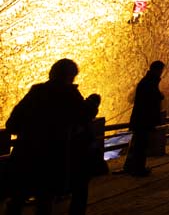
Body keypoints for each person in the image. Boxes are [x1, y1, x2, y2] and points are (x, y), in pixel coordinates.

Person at [5, 58, 102, 215]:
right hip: (52, 158)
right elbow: (84, 116)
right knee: (45, 200)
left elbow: (12, 124)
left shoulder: (35, 93)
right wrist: (92, 104)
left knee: (18, 198)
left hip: (25, 155)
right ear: (70, 77)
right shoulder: (70, 95)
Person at [123, 60, 165, 177]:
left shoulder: (147, 81)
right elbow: (150, 100)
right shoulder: (150, 82)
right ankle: (138, 169)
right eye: (161, 70)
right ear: (157, 70)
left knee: (140, 144)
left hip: (141, 119)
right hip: (144, 119)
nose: (161, 73)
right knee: (141, 145)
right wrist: (159, 96)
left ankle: (136, 167)